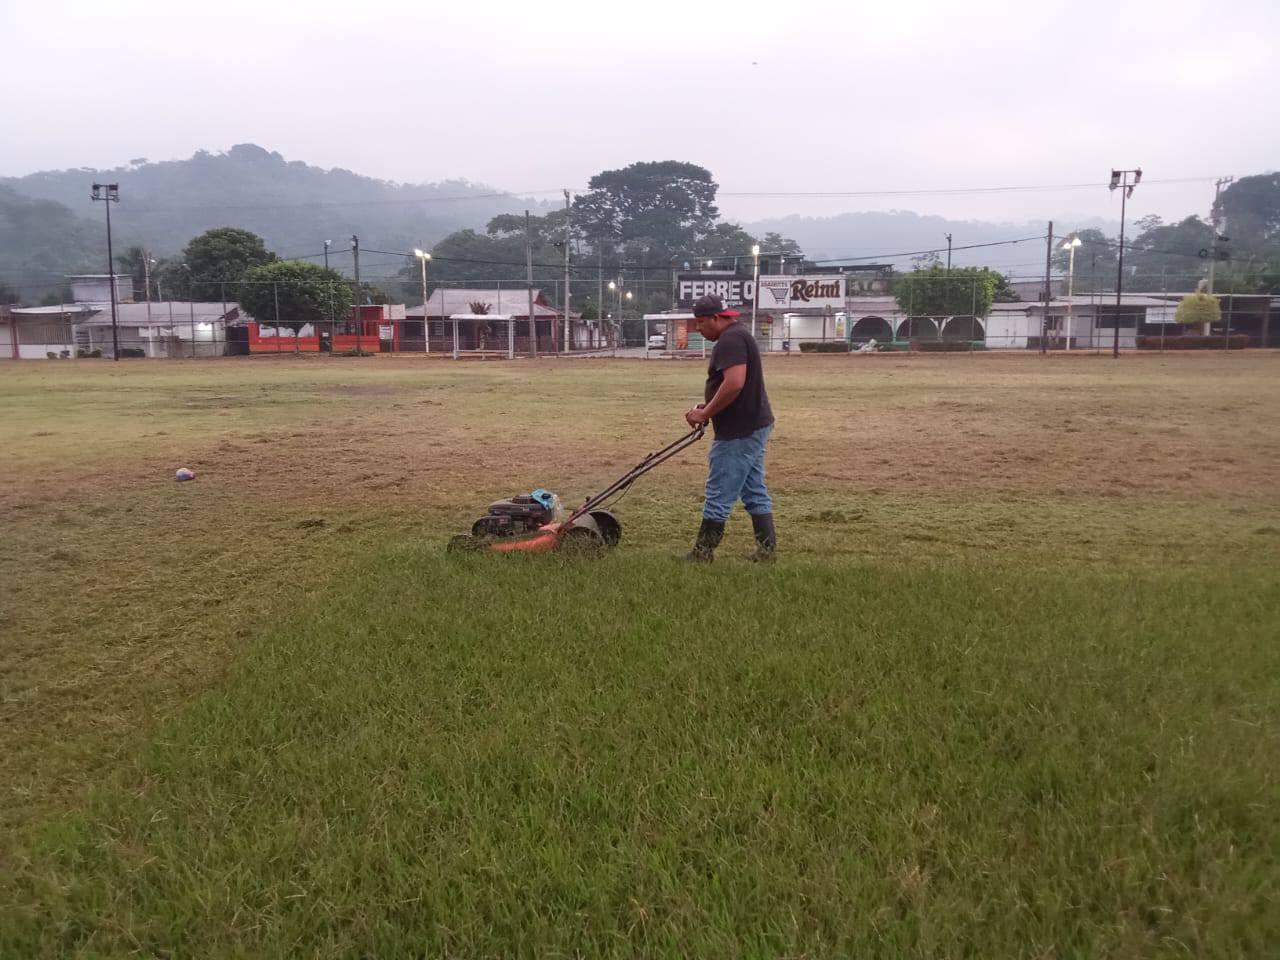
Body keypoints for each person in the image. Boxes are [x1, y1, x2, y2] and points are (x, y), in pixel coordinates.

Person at [683, 294, 776, 562]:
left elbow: (735, 383)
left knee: (719, 490)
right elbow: (734, 386)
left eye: (701, 322)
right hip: (753, 424)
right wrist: (711, 405)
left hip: (739, 431)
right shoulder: (738, 334)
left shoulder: (730, 340)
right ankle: (767, 552)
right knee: (754, 490)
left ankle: (703, 553)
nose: (698, 328)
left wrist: (706, 413)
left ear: (716, 318)